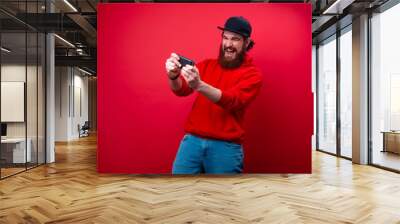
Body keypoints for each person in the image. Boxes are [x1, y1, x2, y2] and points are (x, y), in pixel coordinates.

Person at [165, 16, 263, 174]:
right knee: (179, 192)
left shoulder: (253, 75)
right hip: (191, 143)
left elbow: (233, 100)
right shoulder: (207, 65)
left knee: (222, 197)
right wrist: (173, 76)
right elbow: (181, 90)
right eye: (225, 38)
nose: (228, 44)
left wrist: (199, 85)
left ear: (246, 42)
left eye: (235, 39)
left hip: (226, 148)